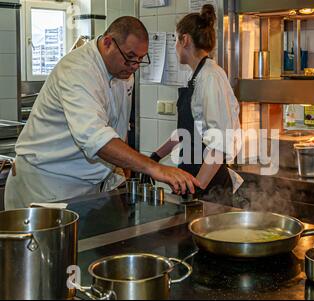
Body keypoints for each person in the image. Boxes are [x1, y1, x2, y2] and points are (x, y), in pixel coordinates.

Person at [4, 16, 200, 209]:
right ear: (108, 43)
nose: (133, 66)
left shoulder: (124, 75)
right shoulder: (78, 70)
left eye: (140, 59)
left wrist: (123, 171)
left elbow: (117, 126)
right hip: (46, 184)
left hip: (88, 186)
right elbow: (94, 137)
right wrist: (154, 167)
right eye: (129, 57)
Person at [144, 5, 242, 205]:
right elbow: (186, 131)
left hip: (210, 188)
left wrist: (196, 189)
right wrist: (154, 158)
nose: (175, 47)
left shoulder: (211, 77)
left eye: (175, 40)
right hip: (192, 177)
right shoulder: (196, 76)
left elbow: (220, 144)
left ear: (185, 39)